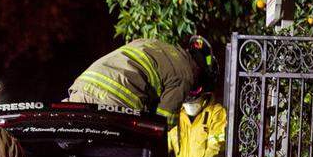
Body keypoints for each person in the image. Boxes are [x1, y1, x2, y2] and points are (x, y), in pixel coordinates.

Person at [67, 36, 215, 123]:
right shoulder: (186, 74)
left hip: (83, 85)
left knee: (66, 143)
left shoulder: (153, 43)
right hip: (116, 101)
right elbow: (162, 122)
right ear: (199, 71)